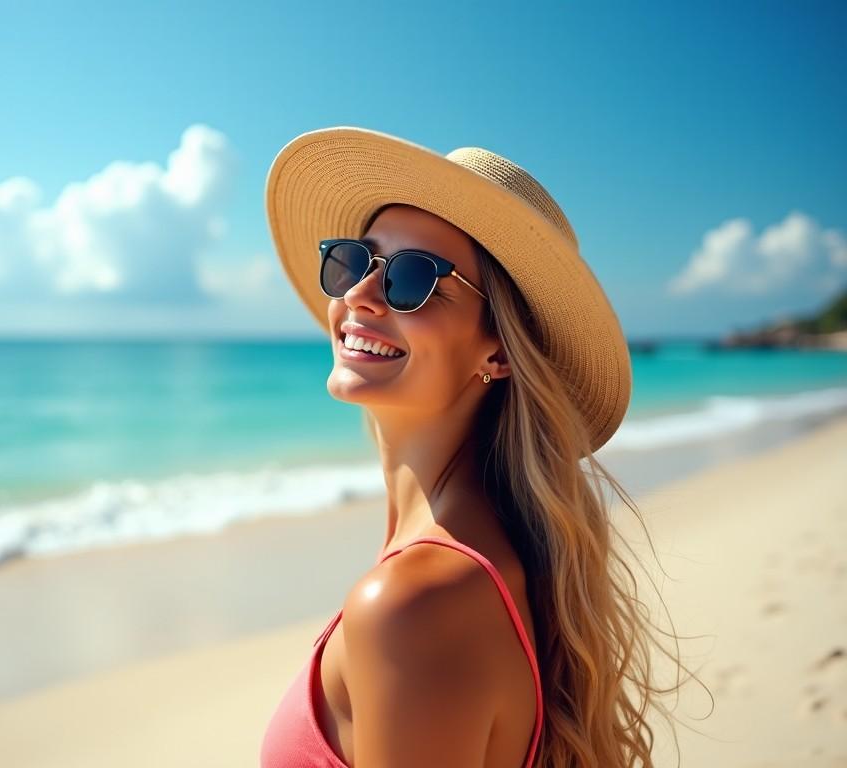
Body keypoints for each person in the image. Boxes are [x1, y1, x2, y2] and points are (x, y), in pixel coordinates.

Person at [259, 127, 696, 767]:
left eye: (413, 277)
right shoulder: (472, 563)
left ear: (497, 347)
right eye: (354, 260)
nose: (358, 295)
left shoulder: (414, 605)